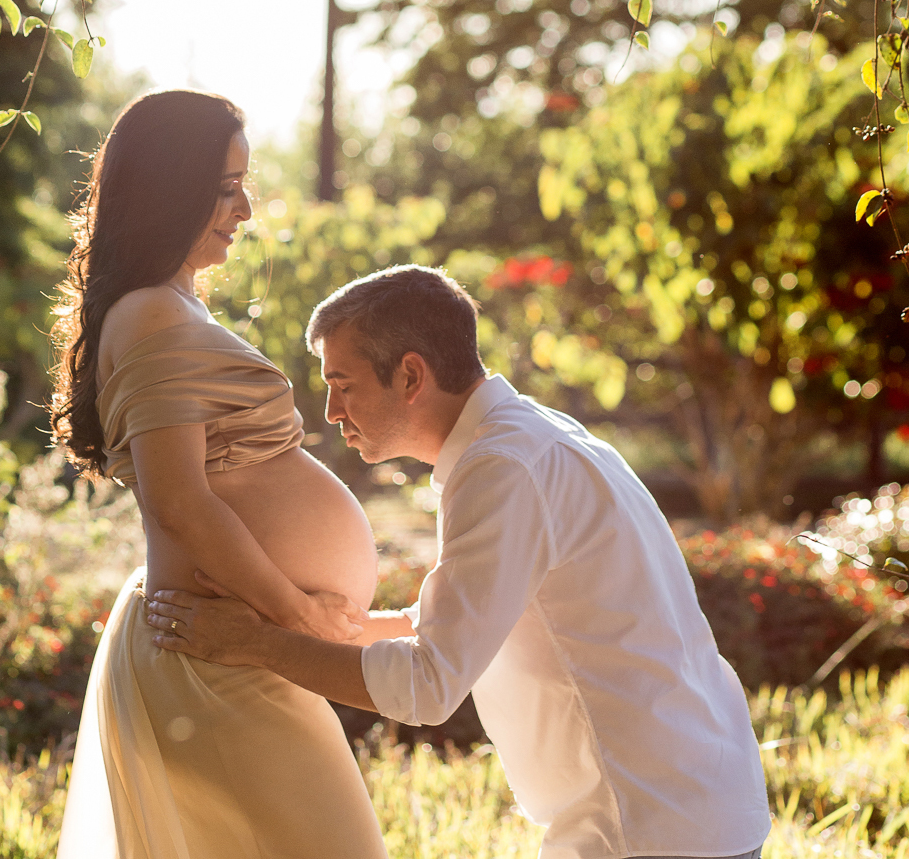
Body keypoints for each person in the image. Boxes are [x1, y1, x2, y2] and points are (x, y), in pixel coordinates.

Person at [147, 265, 772, 859]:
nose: (333, 413)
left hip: (647, 825)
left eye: (343, 385)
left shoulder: (503, 468)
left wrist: (256, 645)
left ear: (411, 375)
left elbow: (427, 686)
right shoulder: (532, 438)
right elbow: (461, 618)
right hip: (693, 806)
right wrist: (321, 621)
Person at [51, 90, 387, 859]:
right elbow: (181, 506)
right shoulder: (150, 315)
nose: (243, 211)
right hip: (216, 654)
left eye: (244, 188)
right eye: (225, 189)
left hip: (233, 650)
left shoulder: (169, 308)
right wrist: (298, 619)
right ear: (170, 192)